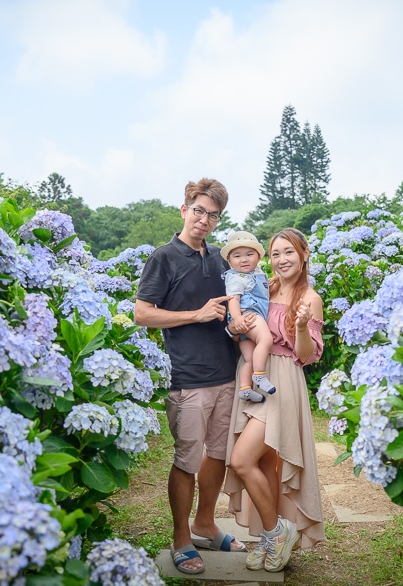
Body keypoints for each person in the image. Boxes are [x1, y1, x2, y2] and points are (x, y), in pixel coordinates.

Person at [134, 178, 256, 575]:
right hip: (186, 377)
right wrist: (196, 314)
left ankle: (206, 524)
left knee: (218, 455)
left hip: (226, 373)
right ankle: (182, 538)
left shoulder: (221, 258)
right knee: (187, 458)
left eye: (213, 215)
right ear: (185, 209)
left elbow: (241, 296)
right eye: (199, 211)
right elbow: (143, 314)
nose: (205, 220)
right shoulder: (163, 257)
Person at [225, 227, 327, 573]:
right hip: (254, 370)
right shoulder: (262, 285)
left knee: (242, 460)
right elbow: (240, 322)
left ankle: (276, 532)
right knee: (265, 465)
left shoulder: (310, 298)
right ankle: (270, 537)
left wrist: (300, 326)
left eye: (289, 253)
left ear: (304, 254)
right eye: (276, 253)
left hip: (281, 379)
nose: (281, 260)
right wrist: (234, 326)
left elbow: (306, 356)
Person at [221, 231, 275, 404]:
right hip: (250, 315)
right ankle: (259, 375)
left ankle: (245, 388)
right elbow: (233, 301)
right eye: (237, 256)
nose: (244, 259)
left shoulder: (257, 273)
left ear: (258, 257)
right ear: (229, 261)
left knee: (249, 358)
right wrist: (237, 318)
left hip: (249, 318)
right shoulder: (237, 278)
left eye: (249, 254)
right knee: (266, 340)